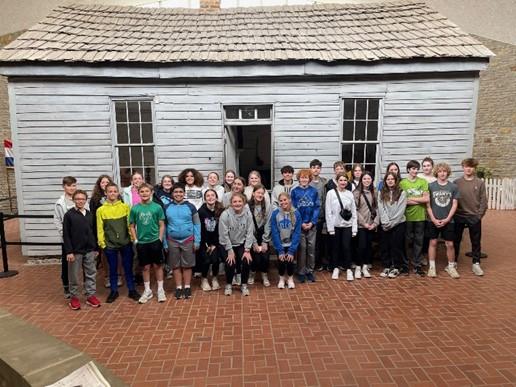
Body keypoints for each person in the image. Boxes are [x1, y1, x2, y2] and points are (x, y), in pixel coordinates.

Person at [97, 183, 140, 303]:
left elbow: (129, 224)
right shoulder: (101, 210)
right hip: (110, 245)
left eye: (115, 191)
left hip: (125, 243)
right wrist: (102, 244)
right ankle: (114, 291)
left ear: (118, 193)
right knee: (113, 269)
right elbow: (100, 228)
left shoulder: (125, 207)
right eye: (110, 191)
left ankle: (132, 290)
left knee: (128, 268)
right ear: (105, 193)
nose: (112, 193)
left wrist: (131, 239)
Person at [63, 190, 101, 310]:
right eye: (78, 199)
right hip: (75, 251)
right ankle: (74, 297)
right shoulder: (69, 215)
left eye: (82, 199)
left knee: (91, 273)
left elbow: (94, 232)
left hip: (89, 250)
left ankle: (91, 295)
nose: (80, 201)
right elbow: (66, 234)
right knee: (74, 275)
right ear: (74, 200)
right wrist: (69, 251)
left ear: (86, 200)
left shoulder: (90, 214)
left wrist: (95, 248)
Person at [129, 184, 167, 303]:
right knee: (145, 267)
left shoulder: (157, 207)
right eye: (142, 191)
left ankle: (160, 290)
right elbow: (132, 226)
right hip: (142, 242)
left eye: (147, 191)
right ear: (138, 193)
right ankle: (147, 290)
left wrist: (160, 238)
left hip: (155, 241)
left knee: (158, 265)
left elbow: (161, 224)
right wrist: (135, 240)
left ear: (151, 192)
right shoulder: (135, 209)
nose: (144, 193)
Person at [163, 183, 201, 299]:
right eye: (176, 192)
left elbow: (197, 224)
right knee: (175, 265)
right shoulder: (166, 207)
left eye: (180, 192)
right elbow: (163, 226)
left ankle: (187, 286)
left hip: (188, 240)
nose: (178, 194)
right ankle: (179, 287)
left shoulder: (191, 207)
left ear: (184, 193)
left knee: (187, 265)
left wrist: (197, 241)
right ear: (172, 194)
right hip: (172, 240)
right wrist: (164, 242)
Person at [453, 158, 488, 276]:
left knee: (476, 241)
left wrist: (479, 216)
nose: (468, 169)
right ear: (463, 167)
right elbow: (452, 200)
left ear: (474, 168)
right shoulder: (456, 183)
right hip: (459, 215)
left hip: (474, 216)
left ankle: (476, 263)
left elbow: (484, 201)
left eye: (471, 167)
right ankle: (453, 262)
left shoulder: (479, 183)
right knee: (456, 240)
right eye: (466, 166)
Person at [426, 163, 460, 279]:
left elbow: (455, 204)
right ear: (436, 173)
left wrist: (447, 219)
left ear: (448, 172)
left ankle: (451, 266)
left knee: (450, 244)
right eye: (440, 171)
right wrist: (433, 219)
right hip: (433, 220)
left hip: (448, 221)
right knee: (433, 242)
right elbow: (428, 205)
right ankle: (432, 267)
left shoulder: (453, 187)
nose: (442, 173)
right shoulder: (431, 186)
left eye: (444, 171)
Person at [219, 193, 255, 296]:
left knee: (246, 261)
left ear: (244, 203)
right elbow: (223, 234)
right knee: (231, 262)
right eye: (235, 201)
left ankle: (244, 284)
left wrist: (247, 250)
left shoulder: (248, 214)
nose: (237, 203)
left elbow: (249, 232)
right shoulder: (225, 215)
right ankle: (229, 284)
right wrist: (230, 251)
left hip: (241, 243)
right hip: (227, 244)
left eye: (240, 201)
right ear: (231, 203)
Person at [325, 173, 358, 281]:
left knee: (346, 247)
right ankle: (335, 268)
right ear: (337, 181)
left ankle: (348, 269)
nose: (343, 182)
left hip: (347, 225)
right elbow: (328, 211)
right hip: (335, 226)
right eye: (341, 180)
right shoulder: (331, 193)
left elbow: (353, 212)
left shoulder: (350, 194)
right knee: (335, 248)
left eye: (345, 180)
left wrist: (354, 228)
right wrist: (330, 228)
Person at [90, 175, 120, 289]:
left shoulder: (117, 196)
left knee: (118, 256)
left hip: (115, 231)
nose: (105, 184)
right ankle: (107, 276)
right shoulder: (95, 200)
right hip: (103, 231)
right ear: (99, 184)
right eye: (103, 182)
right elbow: (93, 217)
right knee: (105, 256)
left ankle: (118, 275)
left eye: (107, 182)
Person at [399, 160, 429, 276]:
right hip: (406, 217)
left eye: (416, 169)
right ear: (408, 170)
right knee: (406, 242)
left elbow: (426, 199)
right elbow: (403, 201)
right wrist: (418, 199)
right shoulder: (403, 183)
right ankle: (405, 265)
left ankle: (417, 265)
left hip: (420, 216)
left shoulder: (423, 182)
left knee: (419, 241)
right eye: (412, 169)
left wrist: (412, 200)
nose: (415, 171)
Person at [290, 169, 320, 283]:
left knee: (311, 248)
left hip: (311, 225)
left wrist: (312, 222)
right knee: (302, 248)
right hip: (300, 225)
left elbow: (317, 207)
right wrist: (300, 223)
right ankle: (301, 272)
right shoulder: (294, 192)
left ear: (309, 179)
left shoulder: (314, 191)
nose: (304, 179)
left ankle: (310, 271)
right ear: (299, 179)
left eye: (306, 177)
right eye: (302, 177)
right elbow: (293, 209)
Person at [378, 173, 407, 279]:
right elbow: (381, 208)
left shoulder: (402, 193)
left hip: (399, 223)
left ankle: (396, 267)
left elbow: (401, 210)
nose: (390, 181)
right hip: (385, 224)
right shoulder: (381, 192)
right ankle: (387, 266)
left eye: (392, 179)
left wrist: (392, 223)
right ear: (385, 181)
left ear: (396, 180)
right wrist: (386, 222)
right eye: (388, 179)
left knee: (396, 246)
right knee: (385, 246)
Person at [271, 192, 302, 289]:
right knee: (281, 261)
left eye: (285, 200)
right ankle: (281, 278)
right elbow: (274, 231)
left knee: (290, 262)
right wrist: (279, 249)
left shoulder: (296, 213)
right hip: (279, 243)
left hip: (291, 243)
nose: (283, 202)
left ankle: (290, 278)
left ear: (289, 200)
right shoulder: (275, 213)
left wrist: (292, 250)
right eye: (281, 200)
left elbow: (297, 232)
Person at [53, 176, 78, 299]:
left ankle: (78, 286)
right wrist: (65, 233)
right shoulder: (60, 203)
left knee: (80, 262)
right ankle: (66, 287)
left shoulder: (80, 199)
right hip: (67, 238)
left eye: (74, 185)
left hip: (80, 237)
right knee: (67, 263)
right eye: (69, 185)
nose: (72, 188)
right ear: (64, 187)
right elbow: (57, 220)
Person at [353, 171, 379, 279]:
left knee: (369, 246)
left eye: (369, 179)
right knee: (361, 246)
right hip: (361, 225)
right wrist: (364, 223)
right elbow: (355, 210)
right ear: (361, 180)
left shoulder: (375, 192)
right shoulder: (356, 193)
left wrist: (375, 223)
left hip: (372, 225)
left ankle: (365, 266)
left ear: (372, 180)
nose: (366, 181)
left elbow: (378, 208)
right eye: (364, 179)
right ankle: (358, 267)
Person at [198, 189, 225, 291]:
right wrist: (206, 245)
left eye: (212, 195)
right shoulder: (201, 211)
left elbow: (221, 229)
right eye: (208, 196)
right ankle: (204, 279)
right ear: (205, 199)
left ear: (216, 197)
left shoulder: (221, 210)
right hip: (204, 242)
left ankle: (214, 278)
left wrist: (214, 244)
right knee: (206, 260)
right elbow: (200, 229)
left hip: (216, 242)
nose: (210, 197)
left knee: (215, 260)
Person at [247, 184, 272, 287]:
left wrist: (265, 241)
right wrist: (254, 243)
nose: (260, 195)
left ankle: (264, 274)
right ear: (253, 194)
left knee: (265, 257)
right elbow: (248, 225)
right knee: (255, 257)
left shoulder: (267, 206)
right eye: (258, 193)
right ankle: (252, 273)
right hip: (251, 234)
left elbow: (268, 223)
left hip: (264, 234)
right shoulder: (247, 206)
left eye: (262, 193)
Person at [309, 159, 329, 272]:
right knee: (312, 242)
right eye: (313, 167)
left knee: (320, 241)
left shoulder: (324, 182)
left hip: (321, 216)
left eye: (318, 167)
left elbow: (326, 199)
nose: (316, 169)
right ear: (310, 169)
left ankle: (320, 262)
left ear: (320, 169)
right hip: (310, 217)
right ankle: (312, 263)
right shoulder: (308, 181)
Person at [418, 157, 436, 267]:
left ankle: (425, 255)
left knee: (427, 234)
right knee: (419, 234)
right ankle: (418, 255)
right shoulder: (419, 177)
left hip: (431, 210)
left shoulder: (435, 179)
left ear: (432, 167)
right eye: (424, 166)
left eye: (428, 165)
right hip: (419, 208)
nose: (426, 168)